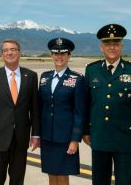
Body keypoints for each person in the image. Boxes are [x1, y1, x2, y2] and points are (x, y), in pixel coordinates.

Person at [0, 39, 40, 185]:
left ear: (20, 53)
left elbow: (35, 108)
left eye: (13, 49)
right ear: (1, 55)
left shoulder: (30, 76)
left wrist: (36, 134)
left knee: (18, 179)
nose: (9, 53)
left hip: (21, 138)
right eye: (5, 50)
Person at [83, 24, 131, 185]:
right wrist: (86, 130)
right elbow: (87, 103)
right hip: (99, 137)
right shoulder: (92, 70)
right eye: (107, 44)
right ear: (101, 47)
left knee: (124, 181)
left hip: (124, 139)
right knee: (99, 180)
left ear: (121, 46)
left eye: (116, 44)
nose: (112, 47)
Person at [38, 38, 86, 185]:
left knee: (63, 175)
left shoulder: (77, 79)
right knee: (51, 173)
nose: (59, 57)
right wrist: (37, 133)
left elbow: (79, 112)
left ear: (69, 56)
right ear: (51, 55)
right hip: (47, 136)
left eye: (63, 54)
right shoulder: (44, 77)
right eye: (55, 54)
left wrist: (75, 139)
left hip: (65, 137)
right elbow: (40, 107)